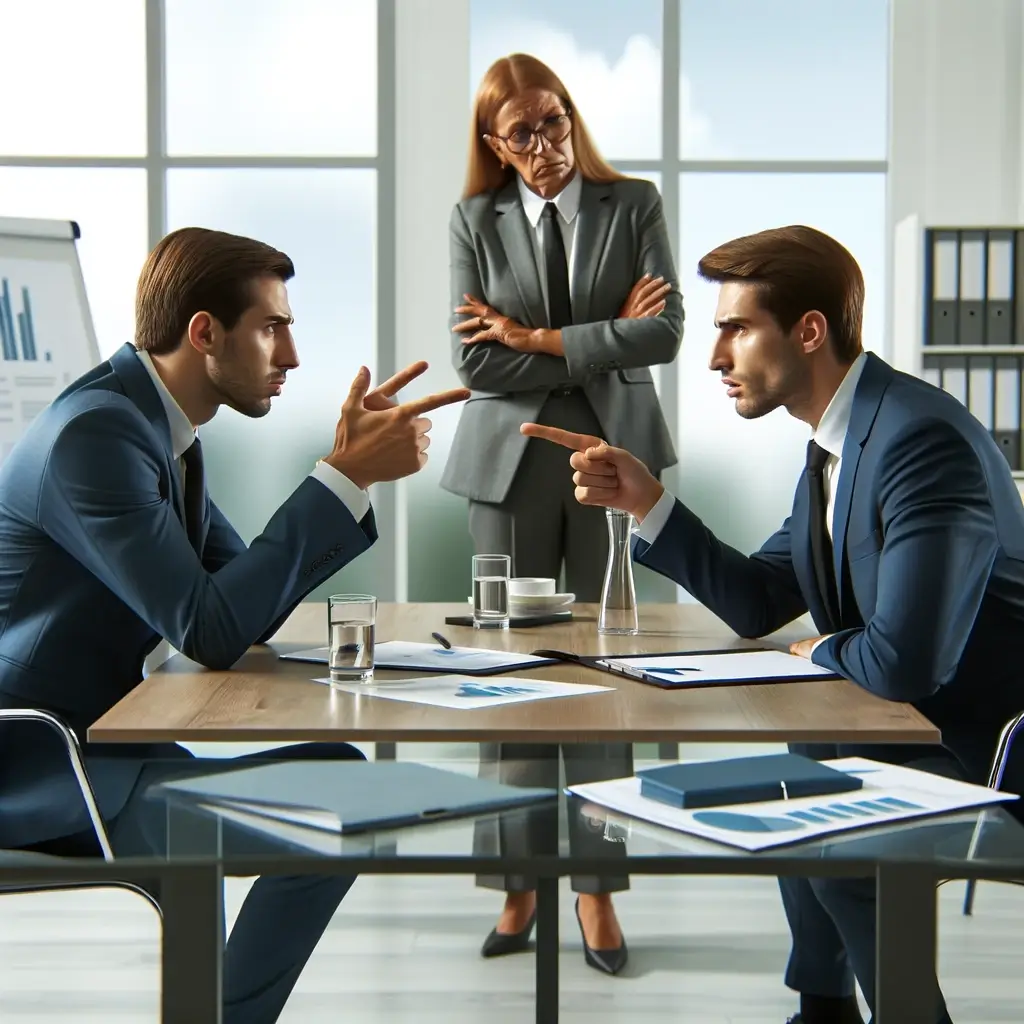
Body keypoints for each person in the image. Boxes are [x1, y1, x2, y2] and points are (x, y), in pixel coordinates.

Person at [521, 224, 1024, 1023]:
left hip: (986, 752)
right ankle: (821, 1009)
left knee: (838, 832)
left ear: (810, 331)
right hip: (909, 727)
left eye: (736, 329)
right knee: (796, 772)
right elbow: (759, 599)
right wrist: (645, 501)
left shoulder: (916, 440)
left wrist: (823, 645)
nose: (717, 357)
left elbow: (907, 663)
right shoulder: (837, 445)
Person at [0, 226, 469, 1024]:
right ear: (204, 333)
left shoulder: (161, 435)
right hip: (46, 771)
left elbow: (241, 610)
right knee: (342, 803)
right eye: (272, 327)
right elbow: (211, 629)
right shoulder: (98, 437)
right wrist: (343, 475)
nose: (290, 356)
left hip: (109, 747)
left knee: (340, 771)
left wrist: (343, 475)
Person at [441, 52, 683, 973]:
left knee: (602, 671)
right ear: (496, 148)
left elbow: (662, 333)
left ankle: (595, 889)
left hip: (612, 459)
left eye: (556, 120)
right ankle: (515, 885)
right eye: (524, 133)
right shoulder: (474, 219)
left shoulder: (634, 206)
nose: (547, 144)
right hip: (507, 467)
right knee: (512, 672)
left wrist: (536, 337)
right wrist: (598, 339)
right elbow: (476, 367)